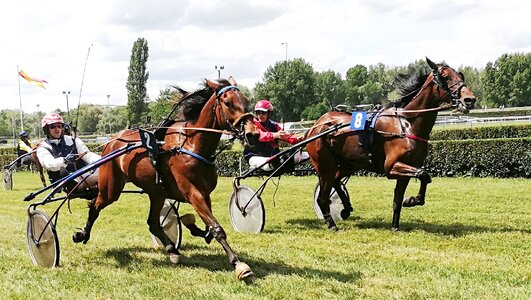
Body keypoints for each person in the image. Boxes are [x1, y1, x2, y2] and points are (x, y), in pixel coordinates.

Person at [36, 112, 101, 193]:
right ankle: (77, 188)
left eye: (59, 126)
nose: (57, 129)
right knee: (64, 173)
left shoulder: (73, 140)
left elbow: (87, 155)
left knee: (103, 169)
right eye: (53, 126)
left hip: (84, 174)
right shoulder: (42, 147)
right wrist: (64, 160)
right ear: (46, 129)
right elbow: (48, 164)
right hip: (64, 180)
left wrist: (101, 161)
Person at [244, 99, 309, 171]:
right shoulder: (252, 125)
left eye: (263, 113)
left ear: (269, 114)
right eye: (258, 113)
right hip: (255, 156)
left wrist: (298, 139)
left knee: (308, 155)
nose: (260, 115)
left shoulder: (274, 125)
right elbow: (260, 136)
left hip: (273, 157)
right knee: (272, 163)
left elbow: (285, 136)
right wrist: (275, 135)